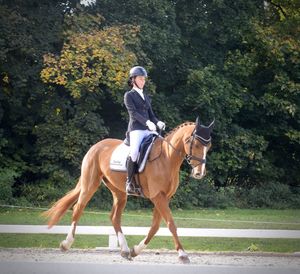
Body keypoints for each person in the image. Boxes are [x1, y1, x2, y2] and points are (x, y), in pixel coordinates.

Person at [124, 66, 165, 195]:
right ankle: (129, 182)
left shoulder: (146, 96)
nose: (143, 81)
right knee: (135, 152)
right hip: (136, 129)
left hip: (149, 129)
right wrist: (147, 122)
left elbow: (151, 114)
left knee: (161, 145)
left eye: (144, 79)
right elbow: (133, 113)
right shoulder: (129, 95)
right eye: (140, 79)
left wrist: (157, 122)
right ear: (133, 80)